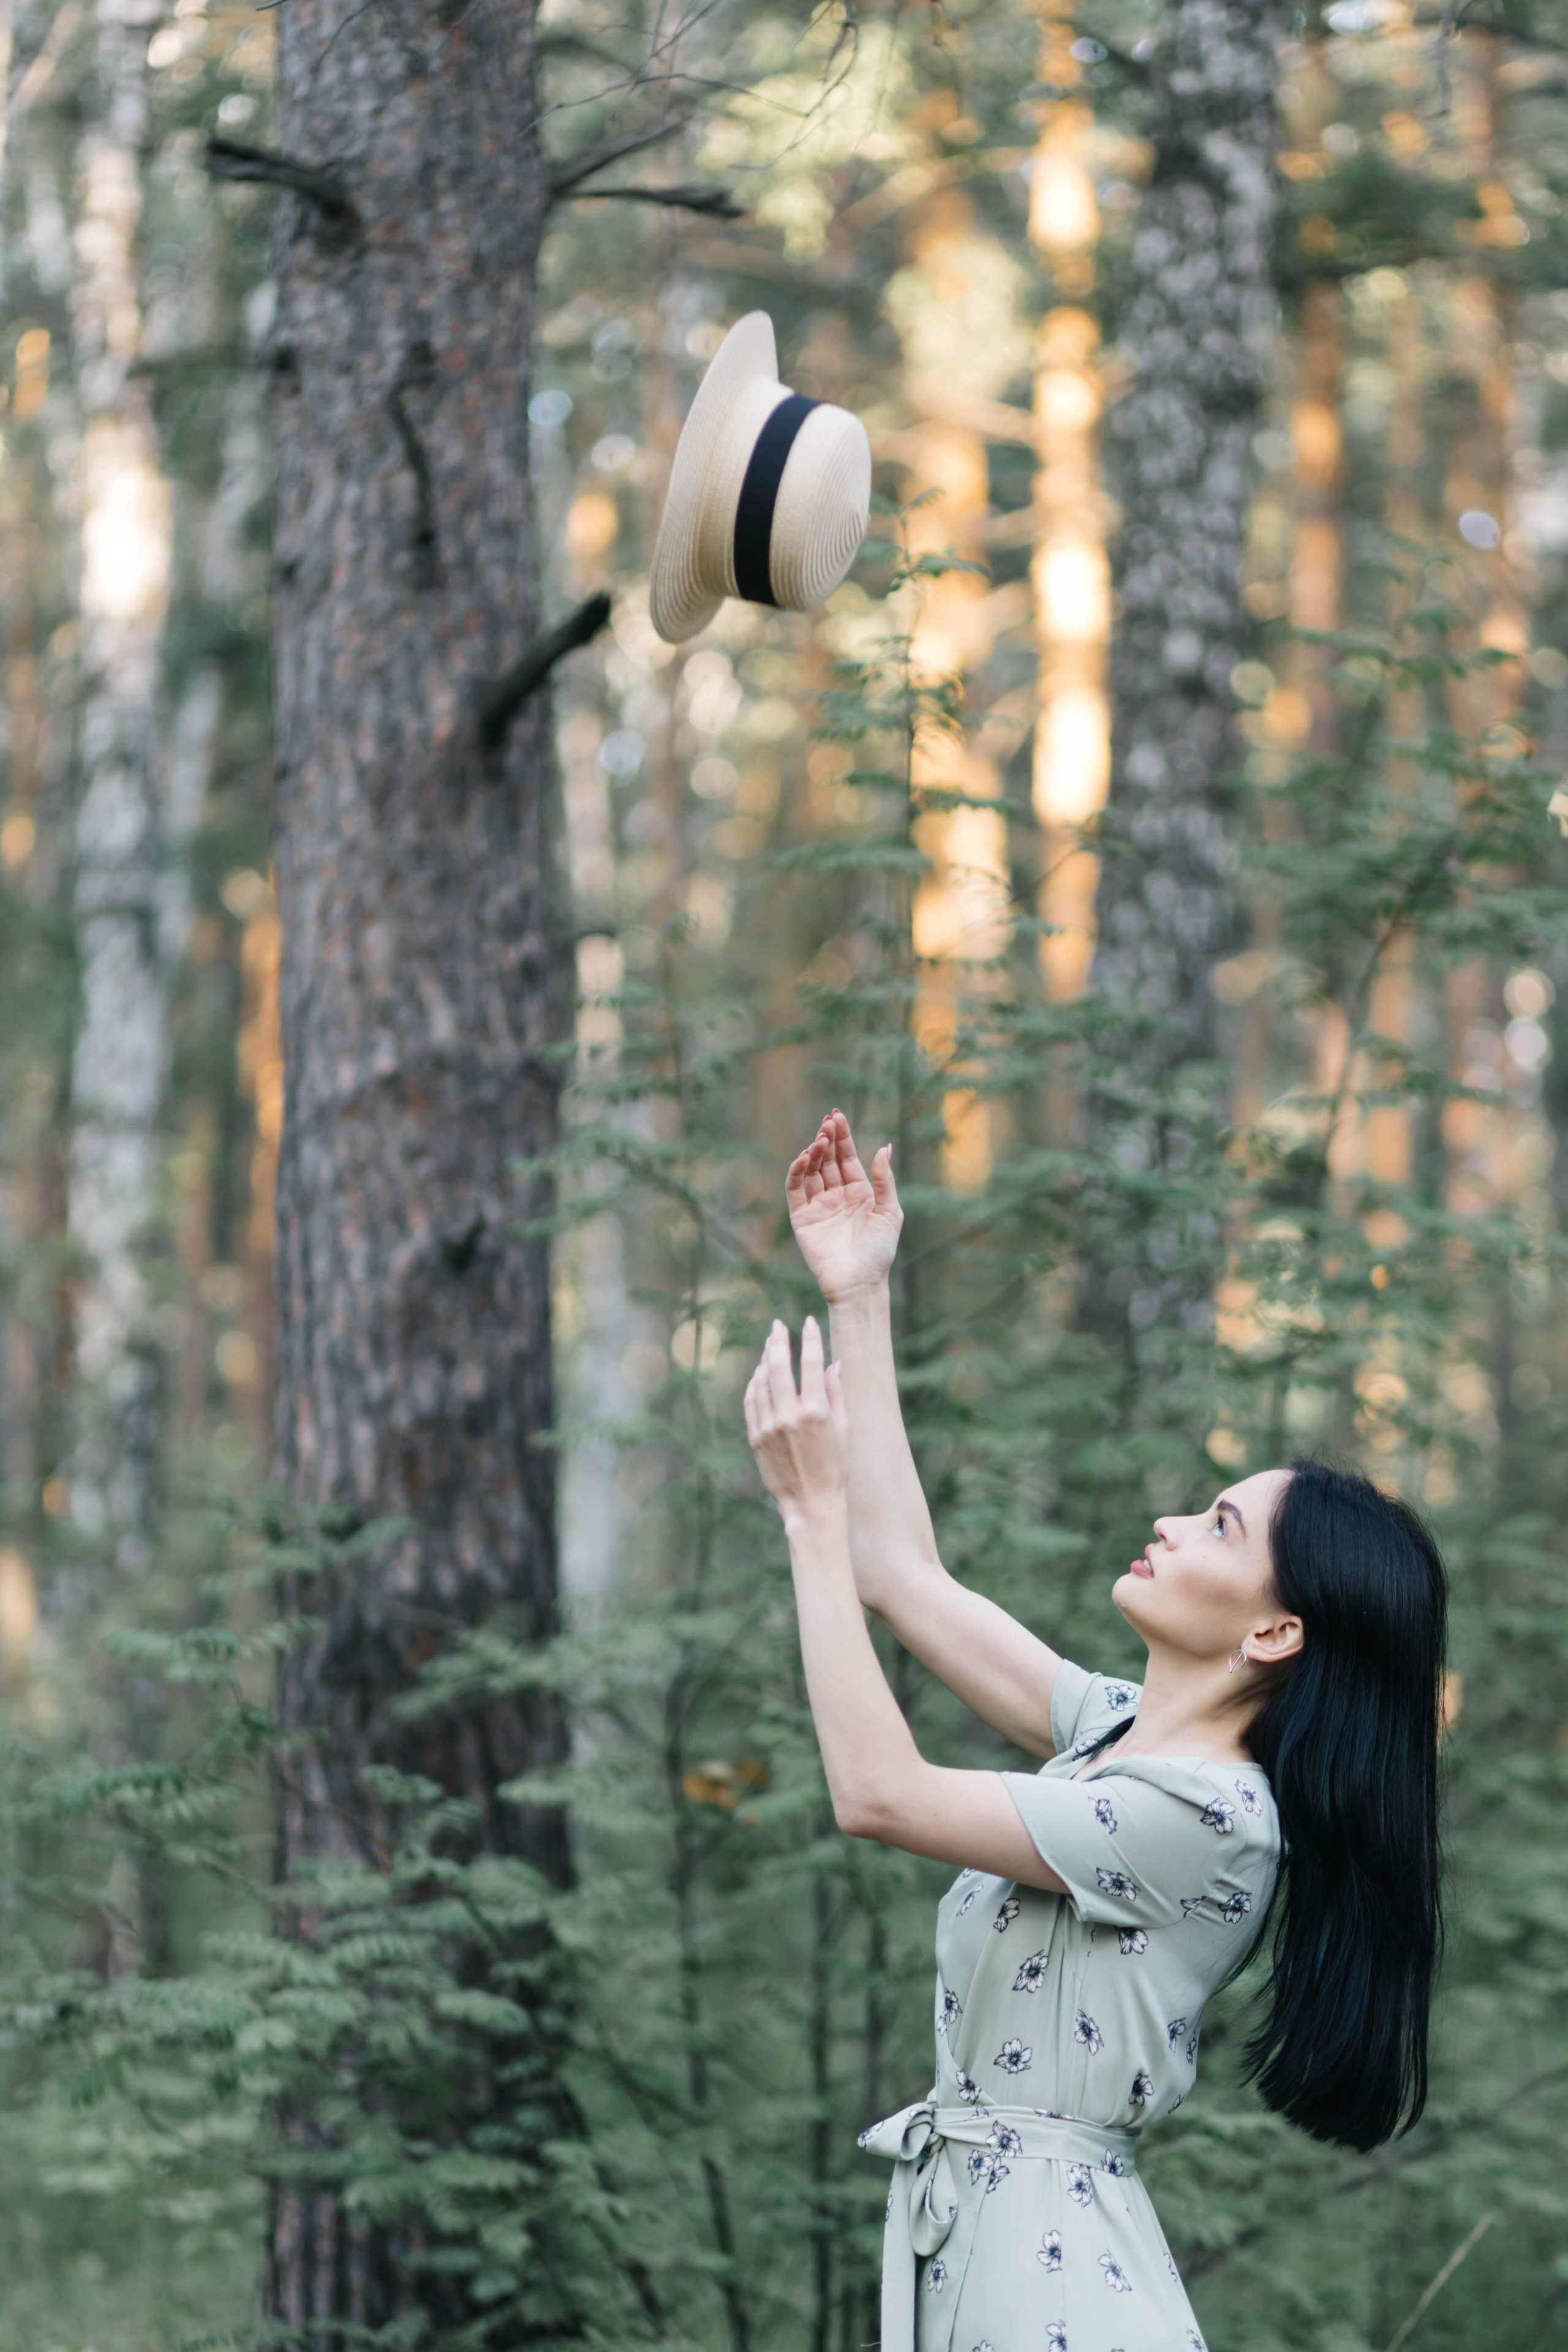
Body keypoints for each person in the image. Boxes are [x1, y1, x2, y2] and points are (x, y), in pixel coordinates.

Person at [742, 1108, 1447, 2352]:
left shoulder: (1209, 1819)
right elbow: (903, 1575)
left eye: (1220, 1528)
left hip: (1054, 2301)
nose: (1173, 1524)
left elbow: (878, 1792)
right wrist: (858, 1292)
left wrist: (805, 1521)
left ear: (1274, 1634)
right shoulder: (1118, 1735)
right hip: (982, 2257)